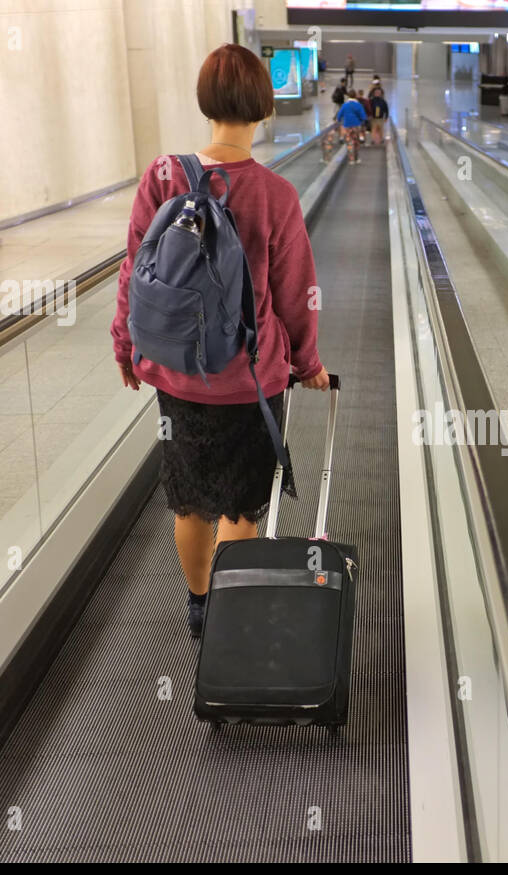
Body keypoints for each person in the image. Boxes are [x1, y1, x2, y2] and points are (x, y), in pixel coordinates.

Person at [111, 44, 329, 636]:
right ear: (263, 107)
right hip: (248, 377)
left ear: (206, 103)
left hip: (176, 373)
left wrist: (126, 346)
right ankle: (235, 620)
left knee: (189, 500)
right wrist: (306, 363)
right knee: (239, 507)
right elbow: (295, 293)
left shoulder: (162, 175)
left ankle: (200, 604)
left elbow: (134, 268)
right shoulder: (274, 195)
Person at [336, 88, 367, 164]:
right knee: (356, 142)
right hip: (356, 125)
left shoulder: (345, 105)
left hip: (347, 126)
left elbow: (339, 115)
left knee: (349, 142)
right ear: (355, 96)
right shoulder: (358, 105)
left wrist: (339, 120)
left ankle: (351, 159)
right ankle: (356, 158)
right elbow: (363, 116)